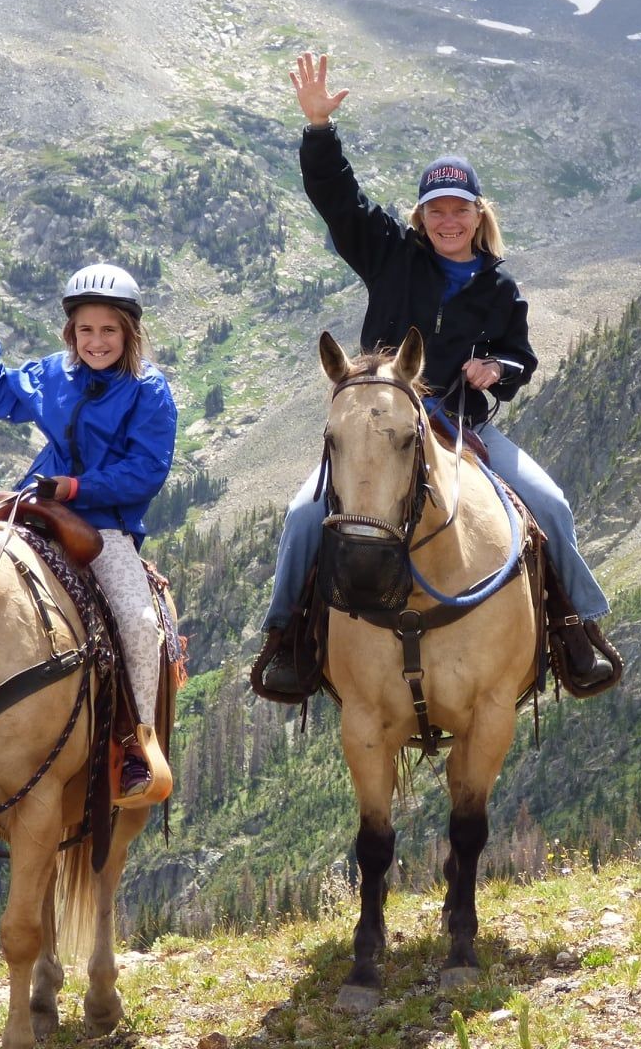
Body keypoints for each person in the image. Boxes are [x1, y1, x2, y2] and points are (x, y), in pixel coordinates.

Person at [258, 52, 614, 695]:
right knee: (304, 514)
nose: (449, 222)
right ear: (421, 217)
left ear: (480, 215)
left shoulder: (502, 289)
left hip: (460, 430)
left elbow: (521, 362)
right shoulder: (391, 255)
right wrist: (318, 130)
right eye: (436, 211)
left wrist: (494, 369)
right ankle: (286, 638)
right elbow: (339, 202)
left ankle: (575, 629)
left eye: (460, 210)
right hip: (382, 426)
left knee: (550, 505)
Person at [0, 263, 179, 804]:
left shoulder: (148, 391)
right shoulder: (53, 374)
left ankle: (137, 743)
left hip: (105, 525)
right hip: (38, 504)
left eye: (108, 330)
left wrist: (77, 488)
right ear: (70, 333)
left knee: (137, 616)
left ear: (129, 332)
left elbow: (146, 471)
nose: (96, 341)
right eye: (85, 330)